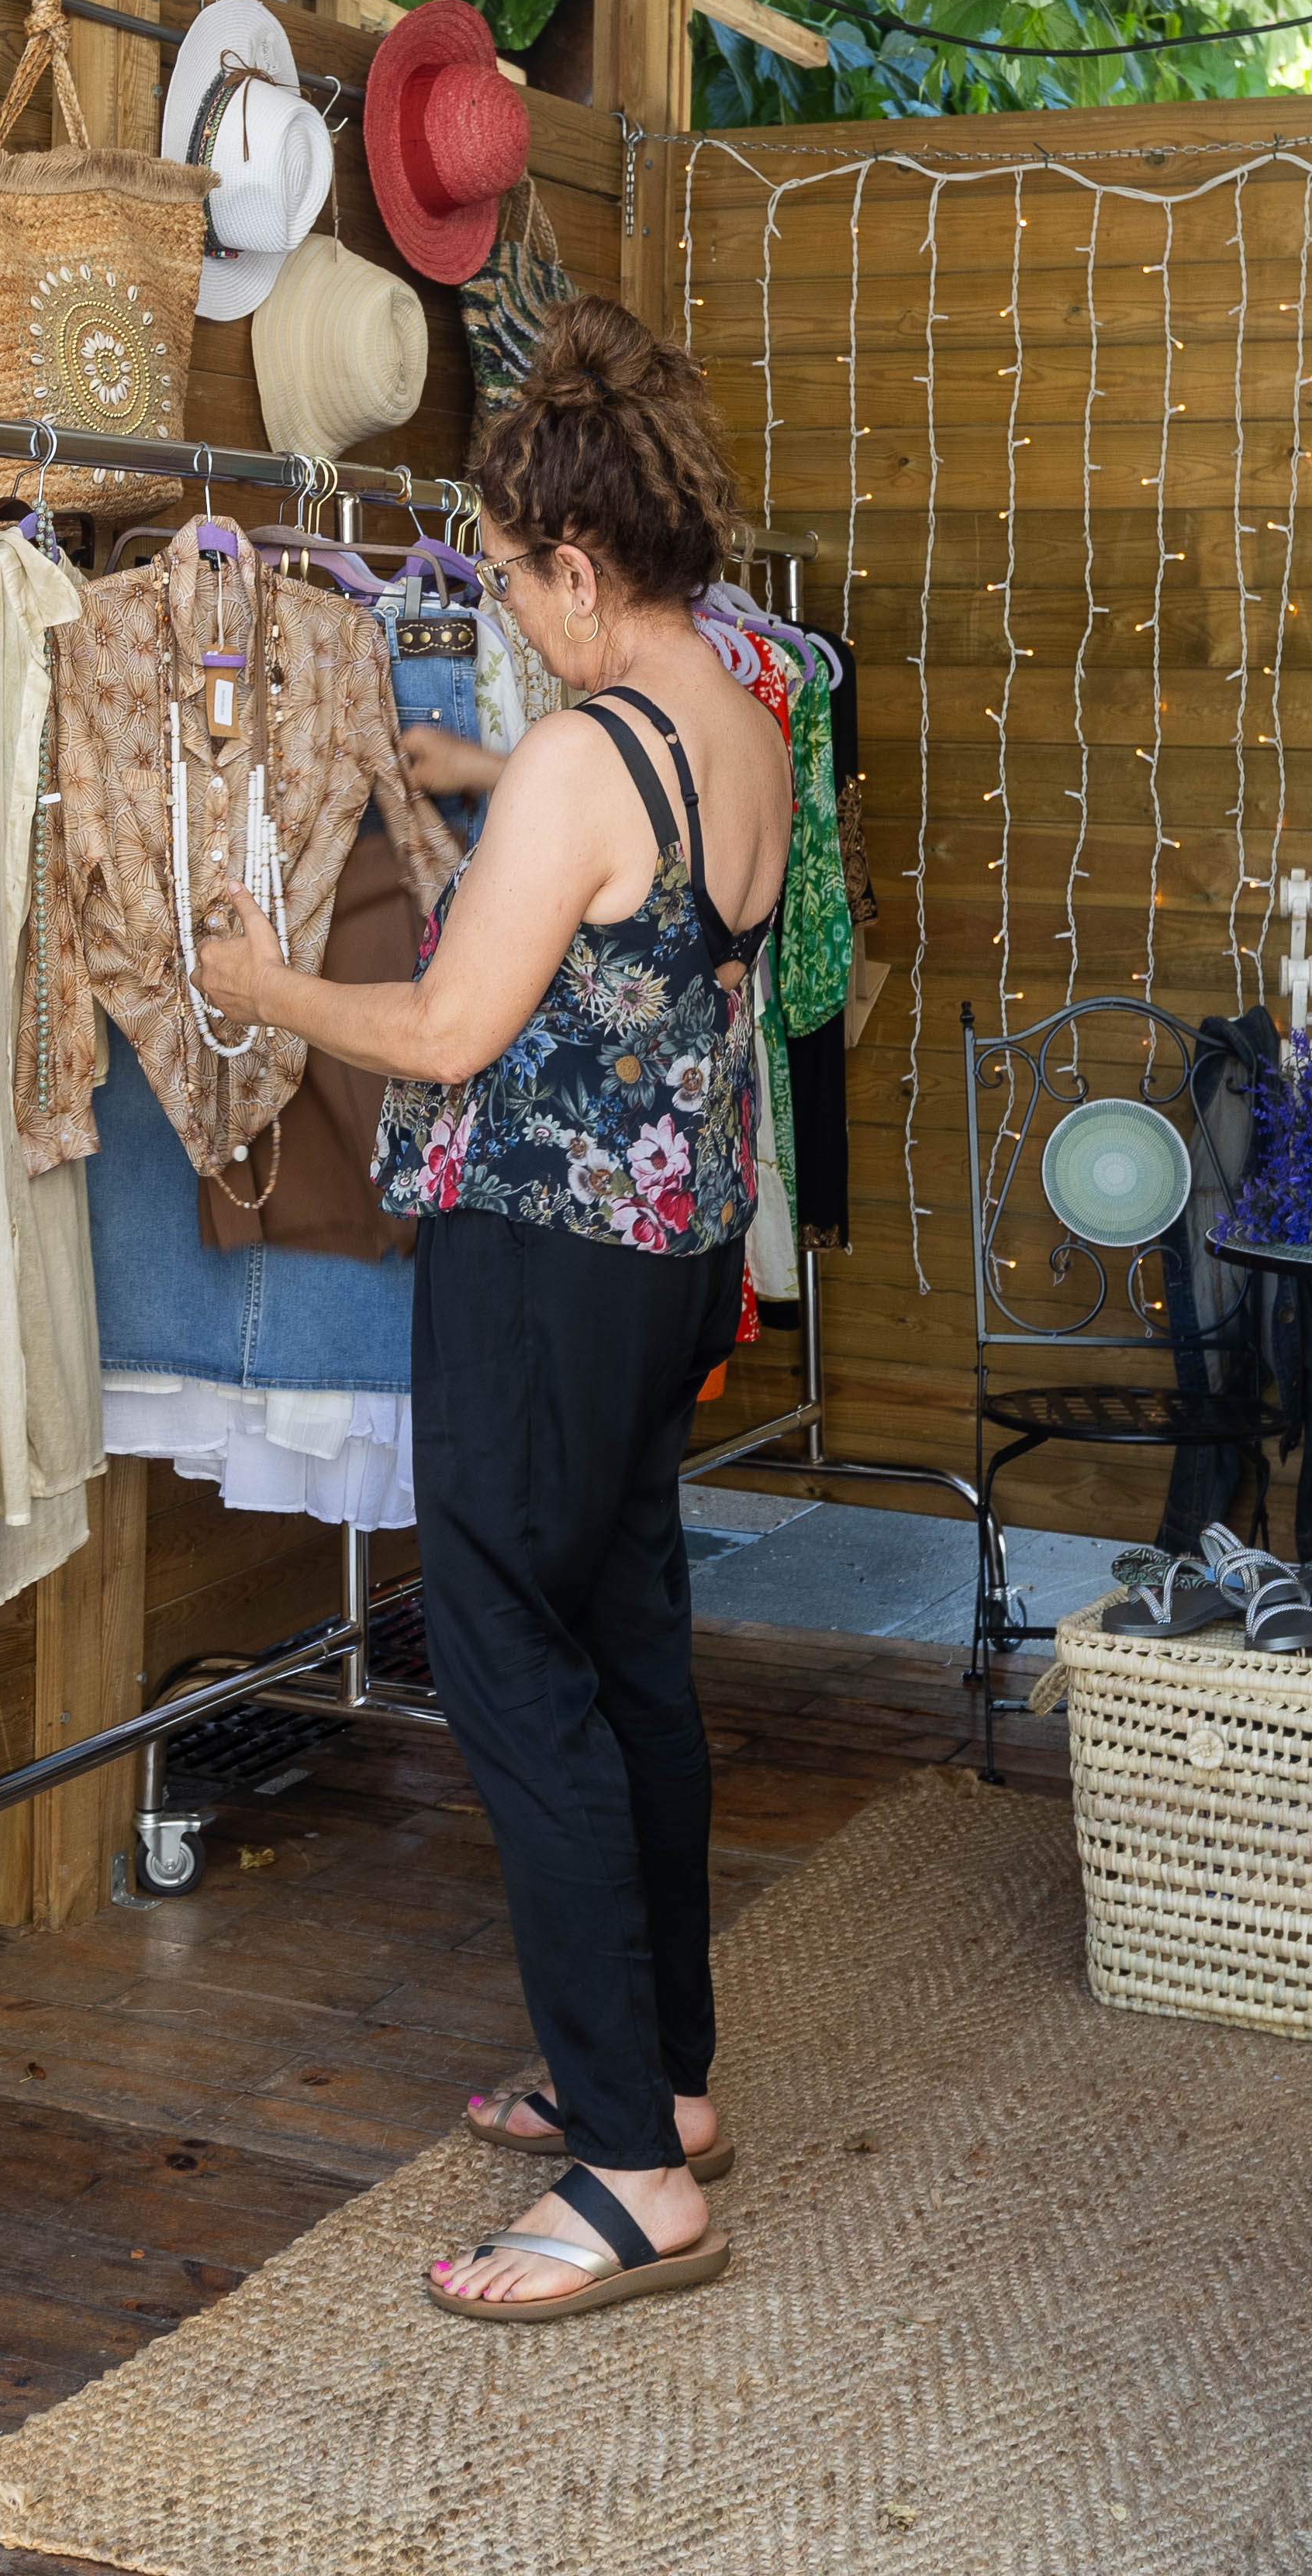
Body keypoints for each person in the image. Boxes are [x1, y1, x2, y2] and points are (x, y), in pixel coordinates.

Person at [191, 296, 789, 2323]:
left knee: (518, 1677)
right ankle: (668, 2089)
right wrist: (477, 767)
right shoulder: (740, 714)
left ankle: (630, 2182)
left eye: (526, 581)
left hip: (542, 1271)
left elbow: (453, 1026)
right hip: (673, 1259)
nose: (518, 616)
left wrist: (269, 993)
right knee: (629, 1651)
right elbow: (647, 918)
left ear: (581, 565)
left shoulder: (576, 754)